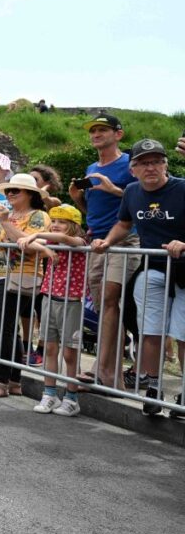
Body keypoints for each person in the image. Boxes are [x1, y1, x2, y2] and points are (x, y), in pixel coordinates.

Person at [93, 139, 184, 416]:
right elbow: (124, 223)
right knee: (150, 331)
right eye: (143, 163)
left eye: (156, 161)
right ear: (133, 170)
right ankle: (153, 387)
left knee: (183, 335)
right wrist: (107, 241)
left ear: (166, 165)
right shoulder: (132, 192)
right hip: (153, 267)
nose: (150, 168)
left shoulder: (182, 188)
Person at [70, 114, 141, 389]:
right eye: (93, 130)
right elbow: (94, 210)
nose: (96, 134)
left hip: (124, 240)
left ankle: (104, 371)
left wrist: (114, 190)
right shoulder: (91, 167)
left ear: (118, 134)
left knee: (111, 300)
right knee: (104, 306)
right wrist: (78, 199)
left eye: (102, 129)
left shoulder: (130, 164)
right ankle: (110, 374)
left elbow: (144, 198)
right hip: (97, 242)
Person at [0, 173, 50, 397]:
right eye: (8, 190)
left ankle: (1, 382)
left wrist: (6, 222)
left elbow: (31, 245)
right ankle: (14, 381)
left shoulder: (38, 216)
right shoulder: (1, 214)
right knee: (7, 328)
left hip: (17, 274)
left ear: (30, 194)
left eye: (15, 190)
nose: (9, 194)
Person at [18, 204, 88, 417]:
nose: (56, 225)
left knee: (69, 352)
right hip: (49, 297)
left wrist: (37, 234)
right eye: (54, 221)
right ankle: (49, 394)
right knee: (49, 348)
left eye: (62, 222)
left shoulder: (80, 241)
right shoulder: (51, 243)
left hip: (71, 302)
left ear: (74, 225)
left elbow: (66, 239)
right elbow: (26, 242)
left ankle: (71, 397)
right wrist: (44, 248)